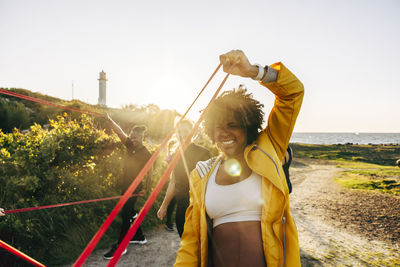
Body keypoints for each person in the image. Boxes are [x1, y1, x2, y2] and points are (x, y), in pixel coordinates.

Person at [175, 50, 304, 267]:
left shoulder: (269, 147)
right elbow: (191, 242)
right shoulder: (202, 175)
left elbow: (293, 92)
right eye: (218, 127)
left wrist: (253, 71)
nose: (224, 133)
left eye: (232, 125)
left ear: (248, 126)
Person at [103, 114, 153, 260]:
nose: (132, 138)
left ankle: (121, 246)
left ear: (142, 137)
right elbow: (119, 132)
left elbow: (150, 173)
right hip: (125, 187)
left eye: (135, 136)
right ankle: (139, 236)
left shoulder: (146, 154)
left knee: (125, 215)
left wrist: (147, 189)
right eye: (131, 135)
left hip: (135, 190)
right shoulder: (129, 145)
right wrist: (109, 119)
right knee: (129, 212)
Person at [157, 120, 211, 237]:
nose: (182, 134)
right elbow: (173, 182)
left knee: (202, 248)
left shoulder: (204, 153)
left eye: (185, 131)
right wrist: (164, 205)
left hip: (200, 209)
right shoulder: (175, 155)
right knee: (185, 243)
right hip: (182, 209)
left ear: (192, 133)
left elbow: (210, 182)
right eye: (179, 131)